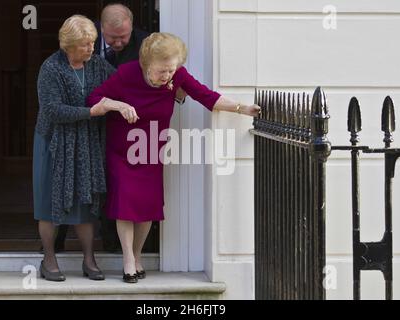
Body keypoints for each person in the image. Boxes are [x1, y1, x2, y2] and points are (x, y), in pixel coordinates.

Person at [87, 32, 261, 283]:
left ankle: (137, 256)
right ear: (146, 64)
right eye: (162, 71)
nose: (167, 76)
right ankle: (127, 260)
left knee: (147, 207)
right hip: (123, 150)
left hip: (151, 149)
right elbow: (93, 99)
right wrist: (118, 105)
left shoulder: (176, 75)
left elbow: (205, 96)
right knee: (125, 204)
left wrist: (241, 108)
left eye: (171, 70)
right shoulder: (126, 74)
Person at [55, 3, 186, 253]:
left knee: (120, 189)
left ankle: (113, 247)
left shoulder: (145, 43)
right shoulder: (82, 40)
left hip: (126, 130)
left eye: (123, 37)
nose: (118, 42)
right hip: (86, 121)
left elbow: (165, 78)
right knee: (75, 180)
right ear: (100, 27)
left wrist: (174, 92)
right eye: (112, 38)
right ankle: (57, 242)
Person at [33, 15, 116, 281]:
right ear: (68, 45)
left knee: (86, 200)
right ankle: (49, 259)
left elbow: (124, 84)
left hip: (86, 142)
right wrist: (92, 111)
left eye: (92, 42)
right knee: (48, 201)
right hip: (53, 143)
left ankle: (89, 259)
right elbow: (52, 109)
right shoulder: (51, 68)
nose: (91, 48)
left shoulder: (98, 66)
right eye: (84, 44)